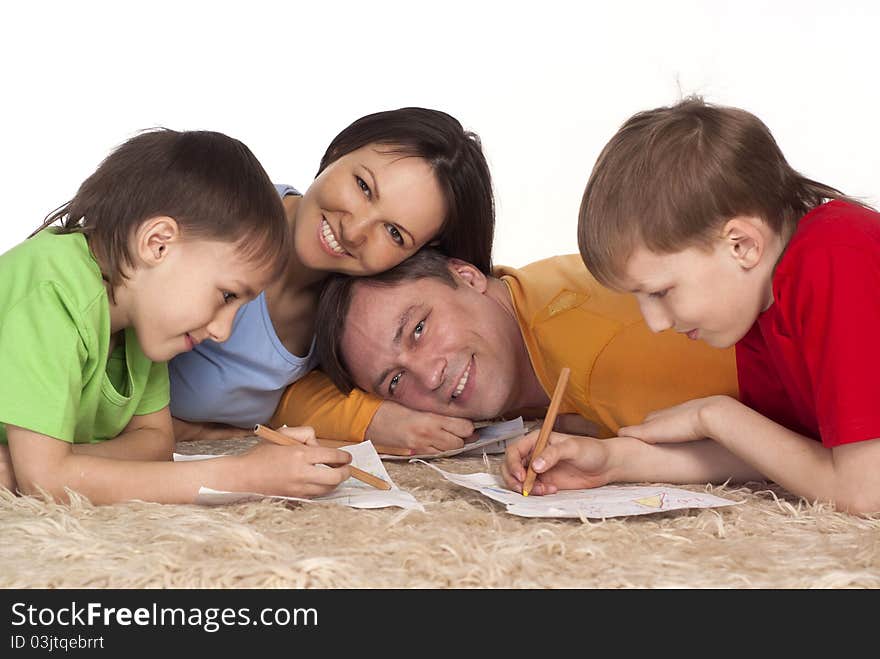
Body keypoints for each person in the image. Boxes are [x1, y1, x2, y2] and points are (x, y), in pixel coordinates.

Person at [527, 96, 880, 514]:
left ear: (741, 244)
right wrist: (611, 461)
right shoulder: (757, 308)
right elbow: (787, 455)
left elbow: (864, 491)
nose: (654, 323)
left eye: (659, 292)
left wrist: (714, 415)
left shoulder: (834, 255)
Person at [0, 129, 353, 504]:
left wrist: (52, 463)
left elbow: (155, 444)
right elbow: (48, 485)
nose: (223, 330)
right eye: (227, 295)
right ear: (158, 243)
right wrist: (241, 475)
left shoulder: (140, 318)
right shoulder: (52, 288)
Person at [168, 108, 495, 454]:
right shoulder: (212, 215)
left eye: (394, 233)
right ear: (340, 151)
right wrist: (189, 432)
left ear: (418, 255)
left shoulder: (358, 331)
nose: (353, 232)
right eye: (363, 187)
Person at [313, 247, 740, 452]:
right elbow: (276, 399)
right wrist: (371, 417)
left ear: (466, 275)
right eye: (396, 380)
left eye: (419, 329)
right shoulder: (520, 292)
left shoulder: (610, 355)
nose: (430, 376)